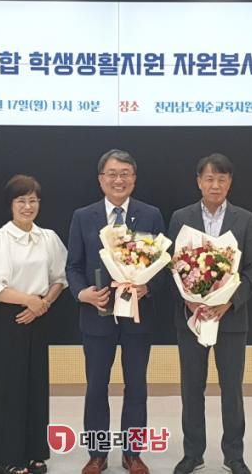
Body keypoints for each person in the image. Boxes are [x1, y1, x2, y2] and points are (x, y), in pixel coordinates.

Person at [66, 149, 166, 474]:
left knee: (136, 386)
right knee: (96, 386)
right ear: (101, 179)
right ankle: (97, 454)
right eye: (112, 174)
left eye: (125, 173)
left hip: (138, 316)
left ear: (134, 178)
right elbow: (73, 266)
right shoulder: (83, 216)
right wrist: (83, 294)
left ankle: (132, 453)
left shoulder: (150, 215)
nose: (118, 180)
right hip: (97, 315)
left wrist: (147, 287)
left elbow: (163, 265)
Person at [168, 153, 252, 474]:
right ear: (198, 181)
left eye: (221, 179)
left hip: (231, 319)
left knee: (232, 389)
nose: (215, 185)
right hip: (191, 318)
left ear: (230, 182)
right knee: (191, 388)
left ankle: (234, 455)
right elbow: (171, 265)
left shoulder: (246, 219)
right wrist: (188, 300)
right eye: (209, 178)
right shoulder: (180, 217)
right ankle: (192, 453)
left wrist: (230, 301)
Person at [0, 175, 68, 474]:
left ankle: (34, 452)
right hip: (9, 318)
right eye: (21, 201)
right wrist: (30, 301)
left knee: (36, 386)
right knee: (10, 388)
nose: (27, 206)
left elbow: (59, 278)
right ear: (10, 204)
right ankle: (9, 457)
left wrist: (43, 304)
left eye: (33, 200)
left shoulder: (48, 238)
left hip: (39, 315)